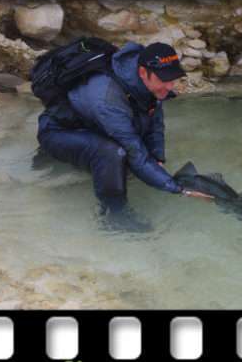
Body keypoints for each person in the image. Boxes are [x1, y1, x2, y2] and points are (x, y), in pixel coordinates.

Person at [36, 42, 213, 231]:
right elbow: (134, 151)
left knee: (136, 154)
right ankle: (114, 216)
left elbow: (155, 123)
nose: (170, 86)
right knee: (113, 153)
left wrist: (157, 158)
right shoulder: (107, 98)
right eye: (164, 80)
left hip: (94, 125)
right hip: (58, 132)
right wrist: (178, 189)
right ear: (144, 72)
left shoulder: (149, 83)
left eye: (173, 79)